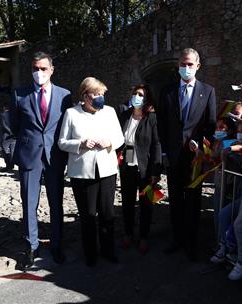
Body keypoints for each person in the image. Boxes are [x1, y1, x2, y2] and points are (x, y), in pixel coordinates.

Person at [10, 52, 72, 269]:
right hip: (29, 157)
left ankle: (56, 245)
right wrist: (14, 152)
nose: (39, 72)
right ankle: (31, 246)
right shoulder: (20, 94)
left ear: (52, 70)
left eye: (43, 68)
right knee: (29, 204)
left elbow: (67, 126)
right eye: (36, 68)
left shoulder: (65, 95)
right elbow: (13, 126)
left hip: (55, 157)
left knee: (56, 203)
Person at [157, 48, 216, 261]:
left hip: (194, 158)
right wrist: (163, 151)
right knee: (175, 200)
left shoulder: (208, 91)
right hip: (173, 156)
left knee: (193, 201)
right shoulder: (167, 91)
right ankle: (177, 239)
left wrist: (200, 144)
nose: (186, 68)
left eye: (190, 64)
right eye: (183, 64)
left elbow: (210, 124)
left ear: (198, 66)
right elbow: (161, 124)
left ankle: (192, 243)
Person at [58, 77, 124, 266]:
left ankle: (108, 250)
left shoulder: (110, 112)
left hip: (107, 170)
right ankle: (90, 254)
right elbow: (62, 142)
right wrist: (80, 144)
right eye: (96, 94)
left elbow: (119, 138)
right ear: (85, 95)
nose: (100, 98)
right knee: (87, 215)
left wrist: (110, 142)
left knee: (107, 213)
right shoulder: (71, 113)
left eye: (102, 94)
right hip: (82, 173)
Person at [117, 84, 161, 254]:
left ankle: (143, 236)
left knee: (146, 204)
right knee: (127, 202)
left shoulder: (151, 118)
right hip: (127, 164)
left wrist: (156, 171)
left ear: (147, 98)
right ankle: (128, 233)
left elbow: (156, 144)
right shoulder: (125, 115)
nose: (137, 96)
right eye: (135, 93)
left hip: (145, 167)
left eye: (141, 94)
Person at [0, 104, 16, 172]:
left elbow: (4, 125)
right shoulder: (15, 115)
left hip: (6, 135)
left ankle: (8, 165)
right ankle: (11, 165)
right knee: (12, 151)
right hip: (14, 135)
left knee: (5, 150)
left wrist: (10, 132)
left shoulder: (3, 115)